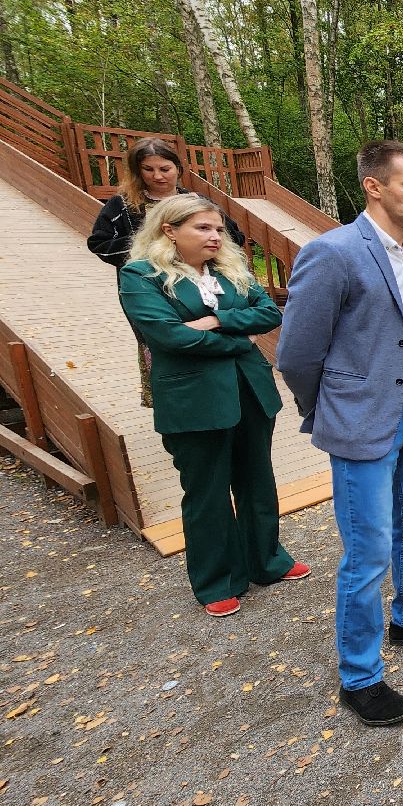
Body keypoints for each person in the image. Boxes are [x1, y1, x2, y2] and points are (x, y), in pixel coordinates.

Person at [276, 140, 403, 728]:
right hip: (361, 420)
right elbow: (296, 354)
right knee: (366, 552)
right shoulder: (332, 252)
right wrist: (333, 408)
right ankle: (359, 675)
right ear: (373, 186)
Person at [118, 194, 307, 617]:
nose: (215, 236)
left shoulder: (230, 271)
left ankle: (267, 560)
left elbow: (269, 313)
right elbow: (168, 337)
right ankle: (216, 580)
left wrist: (219, 320)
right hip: (193, 400)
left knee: (257, 479)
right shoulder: (140, 276)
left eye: (218, 229)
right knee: (207, 491)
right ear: (170, 230)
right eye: (203, 228)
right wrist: (238, 339)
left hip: (250, 392)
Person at [88, 137, 244, 407]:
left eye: (165, 168)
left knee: (209, 331)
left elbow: (233, 236)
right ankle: (174, 404)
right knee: (161, 337)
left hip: (200, 283)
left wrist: (201, 246)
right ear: (138, 171)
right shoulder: (124, 206)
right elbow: (99, 243)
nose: (157, 176)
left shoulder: (195, 202)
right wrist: (150, 249)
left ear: (177, 168)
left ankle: (219, 399)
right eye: (149, 170)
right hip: (150, 287)